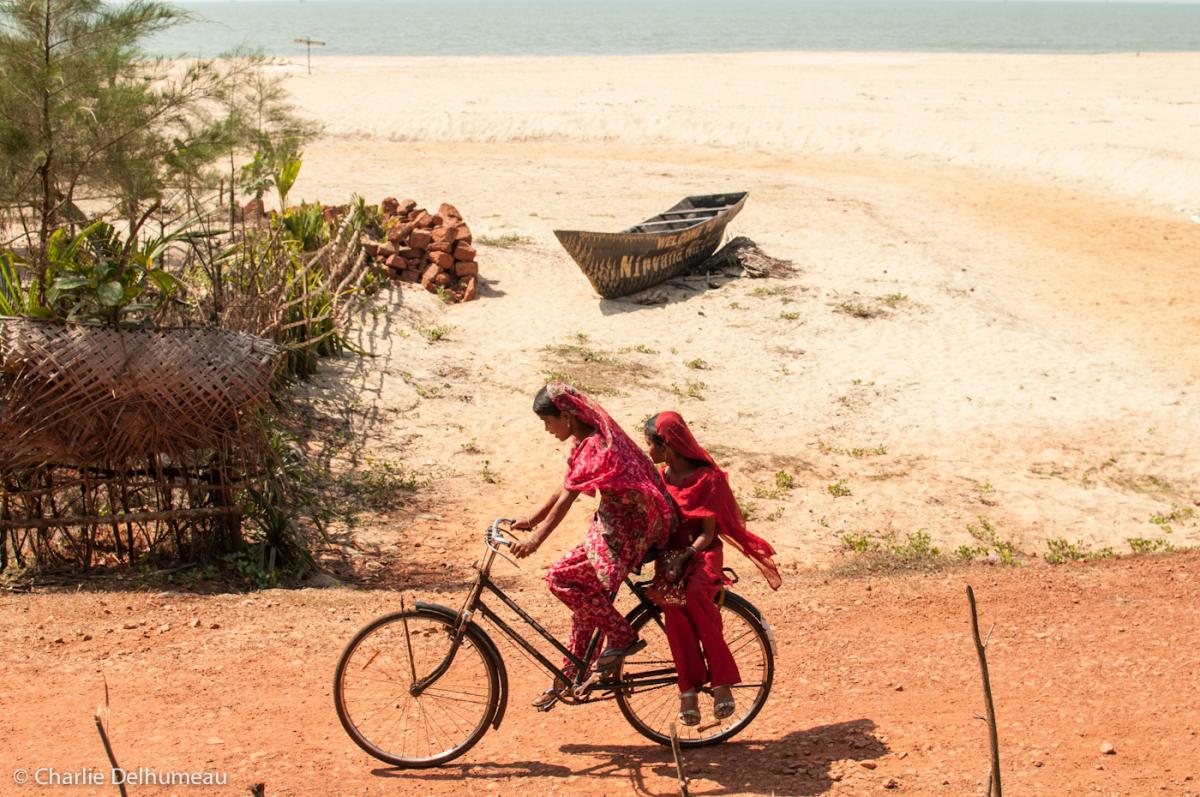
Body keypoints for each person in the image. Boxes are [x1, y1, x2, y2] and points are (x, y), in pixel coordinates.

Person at [510, 382, 674, 708]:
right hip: (617, 523)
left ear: (567, 417)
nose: (547, 429)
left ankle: (622, 634)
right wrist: (531, 519)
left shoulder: (596, 447)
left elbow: (568, 498)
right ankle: (572, 675)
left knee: (559, 578)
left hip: (632, 530)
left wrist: (535, 541)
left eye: (548, 422)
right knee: (584, 596)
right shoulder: (585, 441)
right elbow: (566, 486)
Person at [644, 411, 782, 726]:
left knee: (695, 596)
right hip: (670, 556)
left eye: (650, 443)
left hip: (701, 552)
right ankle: (688, 688)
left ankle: (722, 684)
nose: (647, 450)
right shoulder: (660, 478)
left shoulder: (707, 479)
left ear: (667, 446)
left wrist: (686, 556)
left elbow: (708, 534)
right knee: (672, 608)